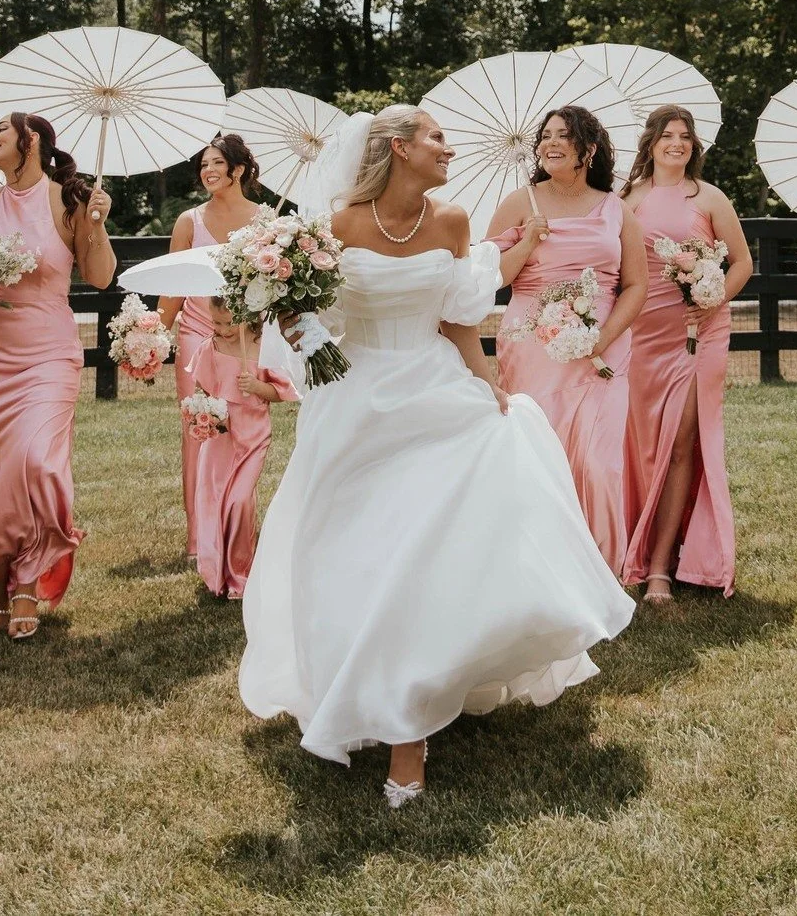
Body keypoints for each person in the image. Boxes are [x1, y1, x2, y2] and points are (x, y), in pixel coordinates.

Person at [238, 106, 634, 809]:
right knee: (360, 557)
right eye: (436, 138)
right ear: (398, 148)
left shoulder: (451, 223)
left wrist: (490, 388)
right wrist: (312, 349)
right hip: (355, 406)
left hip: (433, 393)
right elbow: (288, 309)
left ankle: (409, 733)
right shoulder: (333, 228)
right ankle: (365, 690)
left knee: (423, 553)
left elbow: (457, 321)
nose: (448, 149)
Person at [0, 112, 115, 638]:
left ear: (31, 139)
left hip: (48, 353)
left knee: (38, 463)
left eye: (0, 129)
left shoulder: (70, 200)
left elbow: (100, 275)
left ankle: (27, 583)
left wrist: (97, 223)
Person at [486, 107, 648, 575]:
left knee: (599, 464)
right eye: (546, 136)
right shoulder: (520, 203)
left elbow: (635, 285)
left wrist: (602, 337)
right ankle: (541, 571)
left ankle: (599, 571)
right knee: (540, 458)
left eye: (564, 136)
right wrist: (525, 244)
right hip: (532, 345)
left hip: (603, 349)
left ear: (588, 150)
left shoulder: (616, 207)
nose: (550, 143)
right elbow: (489, 278)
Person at [620, 106, 751, 602]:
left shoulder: (710, 197)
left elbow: (741, 262)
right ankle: (634, 541)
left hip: (700, 332)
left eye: (685, 136)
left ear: (694, 146)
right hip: (641, 333)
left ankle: (659, 568)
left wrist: (713, 297)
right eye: (667, 135)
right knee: (640, 442)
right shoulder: (627, 198)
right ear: (650, 142)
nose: (677, 143)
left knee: (681, 442)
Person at [158, 134, 266, 567]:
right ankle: (199, 536)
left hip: (245, 339)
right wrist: (149, 334)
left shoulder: (264, 221)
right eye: (204, 164)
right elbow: (172, 285)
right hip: (196, 334)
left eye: (216, 163)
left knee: (243, 429)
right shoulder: (190, 221)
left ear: (238, 170)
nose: (207, 171)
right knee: (199, 428)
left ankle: (239, 528)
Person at [189, 297, 297, 600]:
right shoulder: (211, 347)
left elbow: (282, 392)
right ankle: (215, 573)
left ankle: (240, 573)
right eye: (216, 322)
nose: (221, 329)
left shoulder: (263, 348)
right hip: (221, 438)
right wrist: (203, 412)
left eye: (228, 323)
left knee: (239, 502)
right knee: (214, 501)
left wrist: (257, 387)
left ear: (247, 317)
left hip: (252, 437)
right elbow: (203, 390)